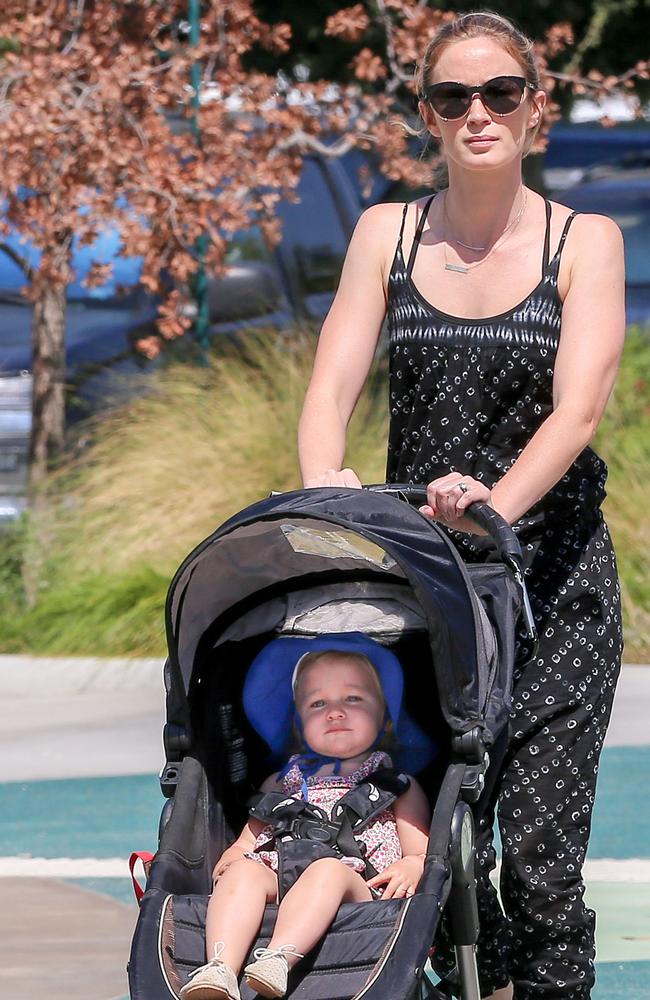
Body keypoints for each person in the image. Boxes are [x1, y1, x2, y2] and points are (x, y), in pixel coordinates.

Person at [298, 11, 625, 1000]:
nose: (476, 112)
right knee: (430, 860)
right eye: (452, 97)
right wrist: (325, 488)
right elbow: (328, 387)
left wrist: (494, 506)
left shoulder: (584, 241)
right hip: (425, 594)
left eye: (499, 93)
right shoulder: (385, 234)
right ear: (428, 117)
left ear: (534, 112)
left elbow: (576, 410)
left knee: (535, 859)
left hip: (552, 589)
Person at [180, 633, 431, 1000]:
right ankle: (220, 966)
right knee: (245, 871)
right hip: (281, 879)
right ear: (299, 726)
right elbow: (249, 840)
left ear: (385, 718)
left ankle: (278, 957)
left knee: (327, 870)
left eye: (353, 699)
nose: (335, 711)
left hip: (358, 888)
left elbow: (422, 852)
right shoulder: (282, 782)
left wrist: (414, 865)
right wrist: (235, 857)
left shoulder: (396, 783)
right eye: (317, 704)